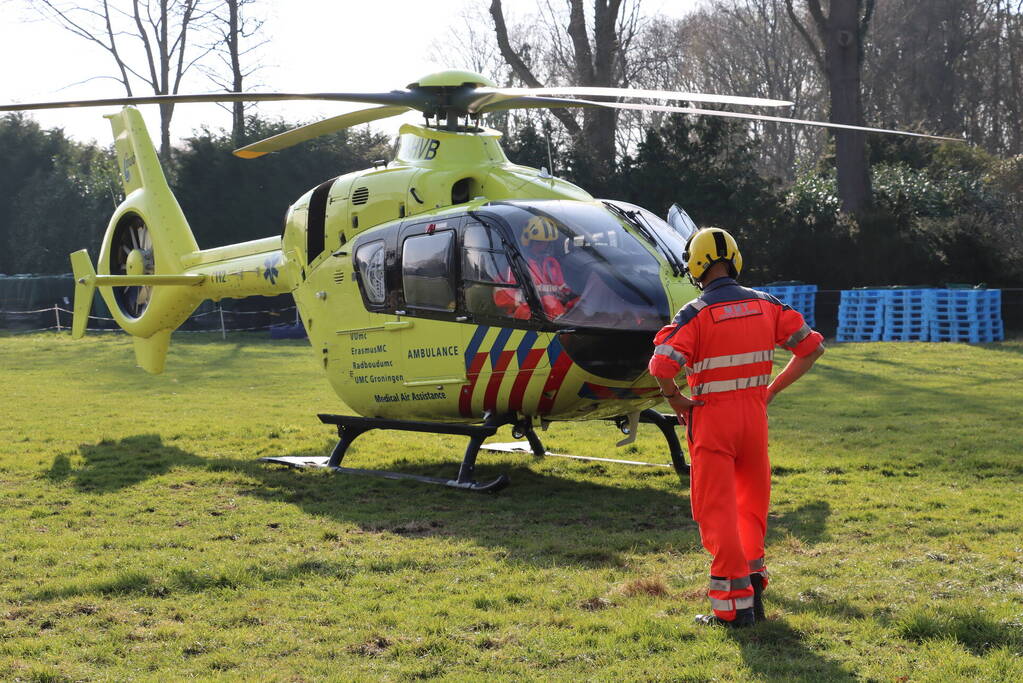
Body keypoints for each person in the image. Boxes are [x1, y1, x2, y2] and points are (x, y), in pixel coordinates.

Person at [647, 227, 825, 628]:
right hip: (754, 419)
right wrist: (770, 391)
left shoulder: (694, 313)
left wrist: (673, 397)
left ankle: (732, 611)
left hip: (712, 420)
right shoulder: (768, 304)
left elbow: (662, 364)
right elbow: (811, 348)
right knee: (751, 508)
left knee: (717, 512)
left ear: (695, 265)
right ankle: (755, 591)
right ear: (736, 259)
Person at [494, 215, 579, 320]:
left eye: (547, 242)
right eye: (539, 242)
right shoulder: (516, 264)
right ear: (527, 242)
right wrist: (540, 298)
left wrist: (571, 297)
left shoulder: (551, 263)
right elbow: (501, 297)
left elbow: (564, 290)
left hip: (551, 316)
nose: (543, 246)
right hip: (524, 318)